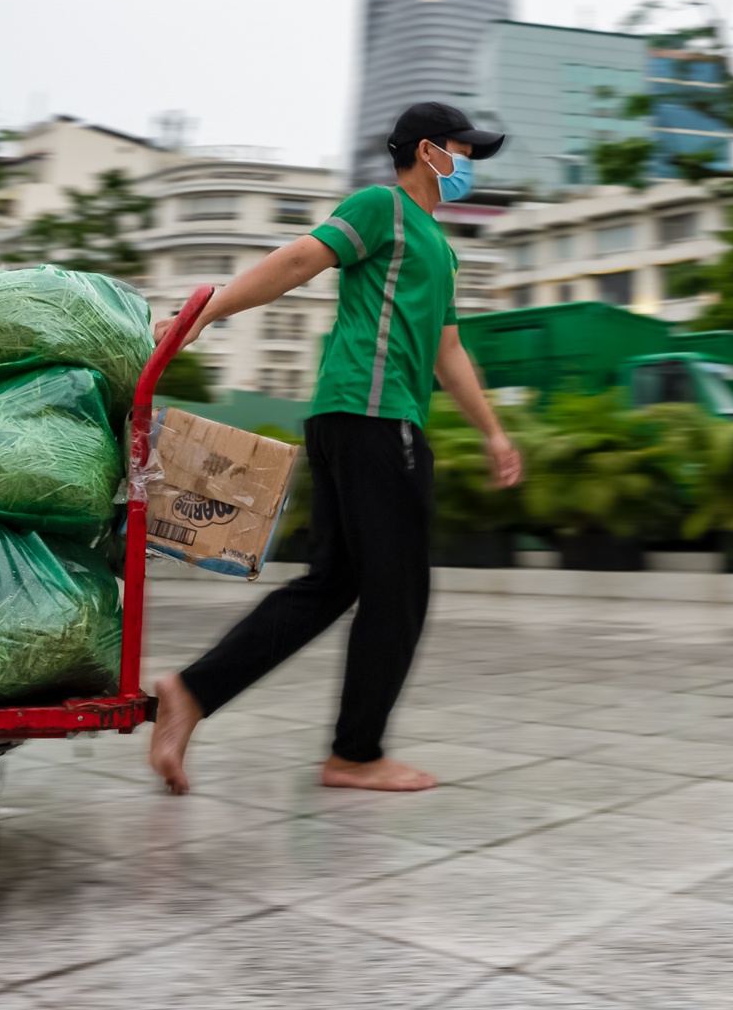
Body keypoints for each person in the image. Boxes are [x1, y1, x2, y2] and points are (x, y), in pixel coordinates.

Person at [149, 102, 524, 795]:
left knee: (332, 584)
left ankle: (191, 694)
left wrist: (494, 432)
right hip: (374, 419)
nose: (469, 163)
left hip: (356, 420)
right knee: (399, 592)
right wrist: (202, 314)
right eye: (462, 149)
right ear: (425, 151)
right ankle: (355, 754)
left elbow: (448, 351)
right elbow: (299, 260)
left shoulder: (439, 249)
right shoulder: (381, 206)